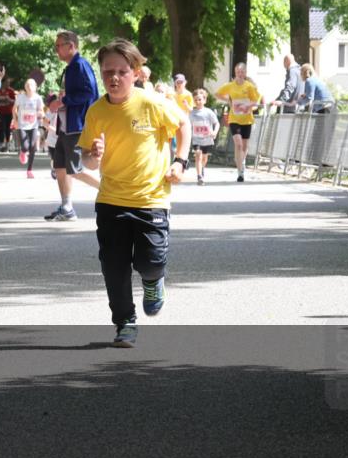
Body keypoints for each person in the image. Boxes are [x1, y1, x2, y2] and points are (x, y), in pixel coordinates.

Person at [77, 38, 191, 348]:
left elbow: (183, 125)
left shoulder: (152, 103)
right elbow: (86, 157)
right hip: (111, 200)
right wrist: (93, 155)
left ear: (136, 72)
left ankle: (154, 281)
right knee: (113, 267)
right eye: (107, 72)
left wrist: (180, 162)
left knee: (150, 262)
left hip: (151, 199)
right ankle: (125, 323)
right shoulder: (97, 111)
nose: (114, 78)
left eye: (121, 71)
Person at [45, 30, 99, 222]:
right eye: (56, 46)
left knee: (75, 169)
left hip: (76, 125)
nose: (56, 49)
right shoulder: (71, 67)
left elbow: (89, 93)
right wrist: (59, 100)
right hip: (66, 126)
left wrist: (63, 101)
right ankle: (67, 207)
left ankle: (109, 191)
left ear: (71, 46)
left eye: (59, 45)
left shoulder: (80, 65)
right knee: (59, 166)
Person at [215, 62, 262, 182]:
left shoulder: (249, 86)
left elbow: (256, 101)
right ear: (235, 73)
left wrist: (248, 106)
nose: (240, 74)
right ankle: (240, 171)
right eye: (237, 72)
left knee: (245, 145)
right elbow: (217, 94)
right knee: (239, 144)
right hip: (234, 118)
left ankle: (242, 162)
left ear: (245, 73)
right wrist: (229, 101)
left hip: (247, 119)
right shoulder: (230, 86)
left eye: (242, 72)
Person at [13, 78, 44, 178]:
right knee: (25, 146)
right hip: (22, 125)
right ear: (25, 87)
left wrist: (40, 114)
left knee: (32, 147)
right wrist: (15, 120)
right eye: (27, 85)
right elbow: (14, 109)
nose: (29, 87)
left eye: (31, 85)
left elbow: (42, 111)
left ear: (35, 87)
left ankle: (29, 170)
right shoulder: (21, 97)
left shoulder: (38, 98)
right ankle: (23, 152)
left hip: (33, 125)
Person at [189, 88, 220, 185]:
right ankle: (199, 177)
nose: (198, 102)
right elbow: (188, 125)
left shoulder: (209, 112)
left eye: (200, 99)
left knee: (204, 158)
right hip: (196, 139)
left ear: (204, 100)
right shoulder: (192, 113)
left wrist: (214, 132)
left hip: (207, 139)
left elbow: (217, 123)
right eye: (195, 100)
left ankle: (202, 168)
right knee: (198, 155)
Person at [0, 78, 16, 152]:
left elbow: (15, 101)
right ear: (3, 83)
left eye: (9, 83)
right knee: (2, 127)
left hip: (8, 112)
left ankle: (8, 144)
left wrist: (9, 99)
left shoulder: (11, 91)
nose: (8, 84)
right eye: (7, 82)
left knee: (7, 128)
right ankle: (2, 144)